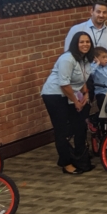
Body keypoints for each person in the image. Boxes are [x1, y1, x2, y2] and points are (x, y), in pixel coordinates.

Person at [42, 32, 94, 174]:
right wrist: (75, 101)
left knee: (78, 125)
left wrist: (86, 92)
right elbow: (64, 84)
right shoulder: (67, 59)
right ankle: (66, 163)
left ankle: (79, 158)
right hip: (54, 95)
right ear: (75, 44)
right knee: (62, 130)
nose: (85, 45)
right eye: (81, 42)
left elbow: (81, 79)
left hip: (70, 94)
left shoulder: (85, 59)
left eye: (87, 42)